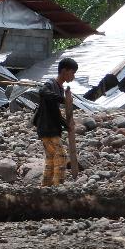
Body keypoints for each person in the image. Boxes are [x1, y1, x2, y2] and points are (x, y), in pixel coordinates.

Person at [33, 57, 78, 187]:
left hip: (51, 127)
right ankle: (57, 187)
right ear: (64, 71)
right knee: (62, 157)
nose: (73, 76)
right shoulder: (50, 84)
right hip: (47, 127)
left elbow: (55, 112)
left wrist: (65, 124)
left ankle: (45, 188)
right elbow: (42, 91)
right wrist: (63, 100)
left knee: (51, 159)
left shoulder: (60, 88)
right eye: (72, 72)